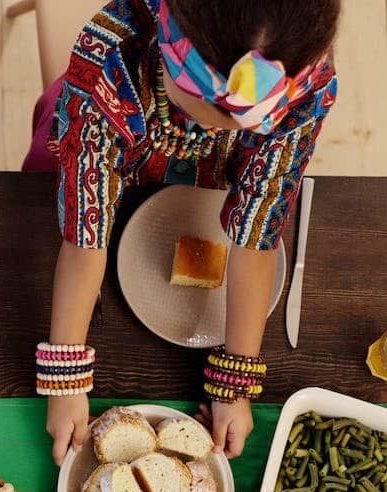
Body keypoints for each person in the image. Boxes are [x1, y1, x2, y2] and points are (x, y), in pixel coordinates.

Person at [29, 0, 339, 464]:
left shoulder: (304, 73)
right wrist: (65, 379)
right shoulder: (109, 58)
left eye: (244, 123)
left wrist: (235, 384)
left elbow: (257, 234)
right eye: (210, 113)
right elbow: (84, 236)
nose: (214, 127)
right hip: (91, 157)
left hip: (212, 179)